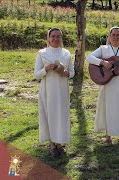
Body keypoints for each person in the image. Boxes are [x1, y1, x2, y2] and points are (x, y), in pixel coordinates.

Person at [34, 28, 75, 156]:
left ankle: (60, 143)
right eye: (53, 36)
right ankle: (52, 144)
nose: (55, 39)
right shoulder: (42, 53)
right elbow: (36, 75)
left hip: (62, 90)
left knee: (61, 115)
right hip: (48, 90)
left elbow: (72, 72)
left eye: (58, 36)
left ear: (61, 38)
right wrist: (45, 69)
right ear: (48, 38)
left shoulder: (66, 53)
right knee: (50, 115)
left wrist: (66, 73)